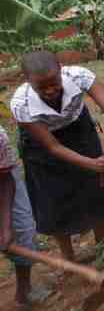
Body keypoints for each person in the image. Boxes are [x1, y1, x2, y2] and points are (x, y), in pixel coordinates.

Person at [10, 51, 104, 264]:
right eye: (41, 87)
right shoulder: (21, 104)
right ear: (28, 81)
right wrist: (92, 163)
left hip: (79, 132)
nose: (50, 90)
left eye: (54, 83)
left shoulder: (79, 76)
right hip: (42, 148)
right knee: (54, 199)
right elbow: (53, 147)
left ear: (61, 70)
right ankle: (68, 259)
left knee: (96, 188)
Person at [0, 125, 50, 309]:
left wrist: (5, 227)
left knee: (23, 230)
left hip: (2, 179)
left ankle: (24, 290)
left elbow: (5, 180)